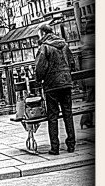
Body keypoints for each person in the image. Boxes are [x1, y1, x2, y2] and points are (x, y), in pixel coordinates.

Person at [32, 26, 77, 155]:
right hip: (66, 83)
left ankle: (55, 147)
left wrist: (39, 80)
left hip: (52, 85)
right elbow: (72, 63)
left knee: (52, 116)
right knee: (68, 114)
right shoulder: (64, 45)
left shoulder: (44, 47)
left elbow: (40, 67)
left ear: (43, 33)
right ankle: (71, 144)